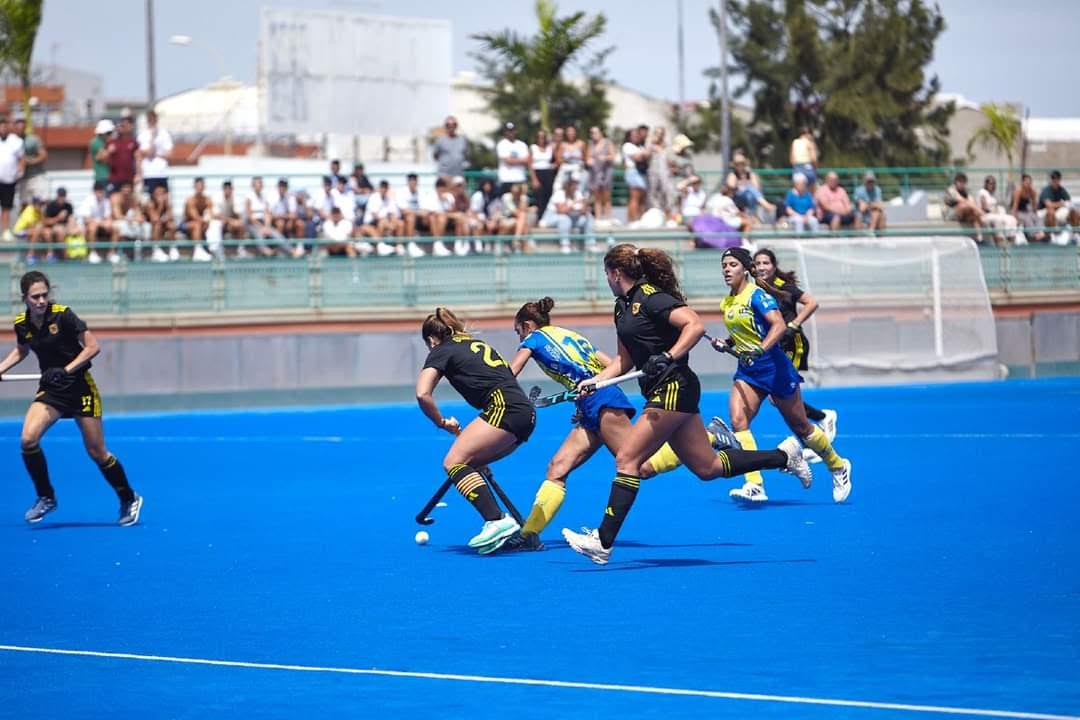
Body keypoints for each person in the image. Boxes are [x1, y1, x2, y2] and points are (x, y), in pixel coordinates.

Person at [561, 244, 811, 565]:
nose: (606, 279)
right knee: (708, 468)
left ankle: (603, 541)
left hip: (674, 387)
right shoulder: (621, 307)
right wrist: (594, 382)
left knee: (627, 459)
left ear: (615, 273)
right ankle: (784, 456)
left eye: (606, 274)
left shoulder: (651, 297)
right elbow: (623, 360)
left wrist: (668, 355)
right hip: (663, 390)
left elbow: (694, 326)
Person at [503, 296, 757, 552]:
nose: (519, 337)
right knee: (557, 467)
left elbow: (510, 373)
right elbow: (610, 365)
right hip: (595, 399)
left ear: (528, 325)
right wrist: (584, 397)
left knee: (640, 466)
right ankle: (529, 534)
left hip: (600, 401)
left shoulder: (533, 339)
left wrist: (493, 392)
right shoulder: (569, 335)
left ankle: (711, 436)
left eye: (518, 331)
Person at [0, 271, 143, 526]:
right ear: (24, 298)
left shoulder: (63, 315)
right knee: (28, 440)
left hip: (80, 388)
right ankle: (46, 497)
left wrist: (65, 370)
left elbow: (93, 347)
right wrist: (1, 368)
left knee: (97, 452)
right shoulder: (22, 323)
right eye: (35, 297)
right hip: (52, 390)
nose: (41, 301)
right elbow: (22, 350)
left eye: (44, 295)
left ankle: (128, 497)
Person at [715, 247, 851, 504]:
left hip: (774, 369)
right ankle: (754, 484)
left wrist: (760, 350)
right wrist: (727, 343)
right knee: (738, 421)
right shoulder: (727, 302)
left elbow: (777, 326)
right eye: (724, 266)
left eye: (732, 265)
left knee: (801, 427)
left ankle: (838, 465)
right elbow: (744, 332)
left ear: (745, 269)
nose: (727, 270)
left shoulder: (757, 295)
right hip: (748, 371)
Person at [415, 307, 535, 554]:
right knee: (469, 463)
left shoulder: (441, 349)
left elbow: (422, 394)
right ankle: (508, 530)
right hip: (524, 413)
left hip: (504, 408)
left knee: (453, 462)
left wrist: (441, 422)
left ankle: (497, 521)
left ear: (431, 339)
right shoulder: (473, 344)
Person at [752, 249, 838, 456]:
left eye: (766, 263)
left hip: (792, 343)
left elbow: (812, 303)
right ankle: (817, 425)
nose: (762, 267)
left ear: (774, 266)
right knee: (779, 397)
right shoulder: (755, 289)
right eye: (758, 263)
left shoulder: (784, 286)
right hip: (775, 347)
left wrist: (795, 324)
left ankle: (815, 429)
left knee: (781, 396)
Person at [977, 175, 1020, 245]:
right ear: (986, 184)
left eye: (994, 183)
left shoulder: (994, 194)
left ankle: (1010, 239)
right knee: (998, 220)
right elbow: (984, 207)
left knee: (1012, 219)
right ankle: (1000, 242)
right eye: (990, 183)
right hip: (985, 215)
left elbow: (998, 206)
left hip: (995, 214)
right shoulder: (982, 192)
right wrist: (993, 211)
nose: (992, 185)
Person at [586, 126, 615, 220]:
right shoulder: (591, 144)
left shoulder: (608, 142)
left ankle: (608, 217)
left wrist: (605, 157)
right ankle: (598, 218)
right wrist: (588, 160)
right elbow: (587, 157)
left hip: (606, 172)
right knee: (597, 197)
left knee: (606, 196)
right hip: (595, 172)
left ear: (601, 133)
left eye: (595, 132)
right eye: (591, 133)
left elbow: (613, 156)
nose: (593, 135)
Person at [1010, 173, 1044, 243]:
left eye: (1029, 183)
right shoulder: (1018, 191)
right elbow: (1014, 207)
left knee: (1037, 217)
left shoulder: (1032, 191)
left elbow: (1034, 208)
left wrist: (1034, 196)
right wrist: (1015, 219)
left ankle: (1041, 232)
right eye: (1027, 182)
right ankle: (1032, 235)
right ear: (1022, 182)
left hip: (1026, 211)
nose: (1028, 184)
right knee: (1027, 218)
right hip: (1017, 211)